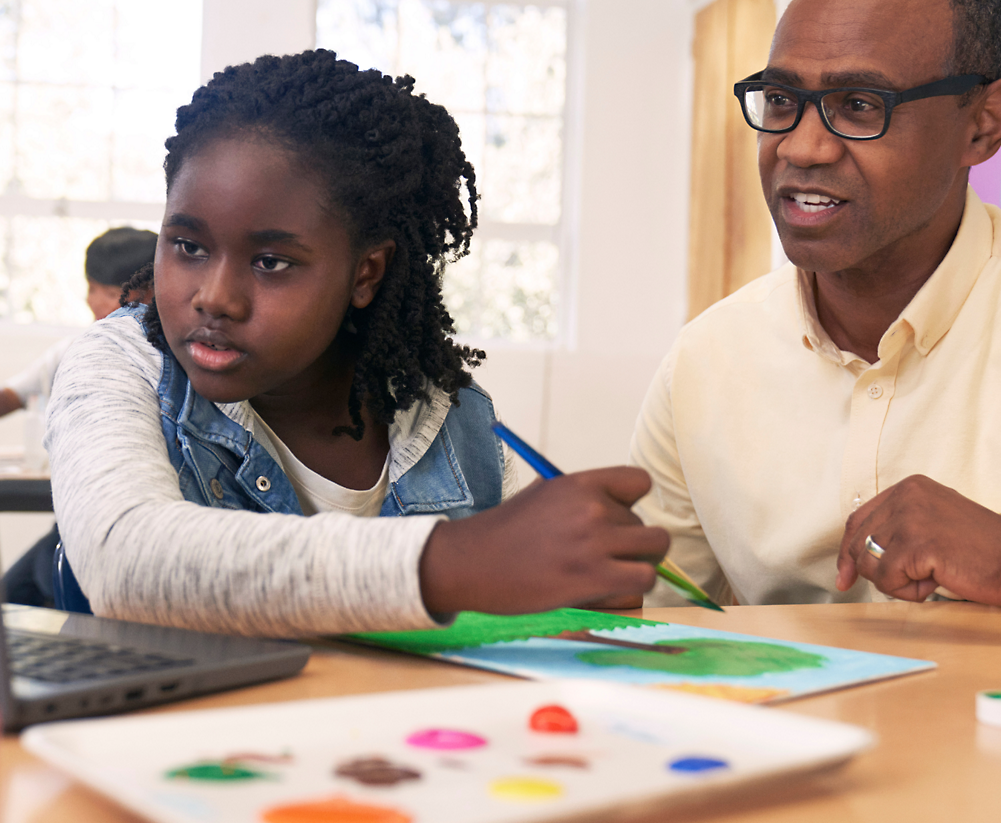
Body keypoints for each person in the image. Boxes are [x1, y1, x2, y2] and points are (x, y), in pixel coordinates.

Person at [45, 50, 665, 636]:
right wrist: (451, 565)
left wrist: (586, 572)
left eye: (270, 261)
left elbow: (553, 572)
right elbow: (128, 561)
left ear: (365, 273)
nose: (215, 297)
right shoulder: (120, 365)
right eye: (188, 246)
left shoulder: (447, 419)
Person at [630, 0, 1001, 610]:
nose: (801, 146)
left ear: (984, 125)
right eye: (783, 99)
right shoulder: (705, 364)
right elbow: (646, 631)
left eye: (858, 104)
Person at [0, 226, 157, 607]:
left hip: (117, 526)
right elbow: (1, 399)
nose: (90, 300)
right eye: (89, 287)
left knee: (39, 590)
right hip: (72, 522)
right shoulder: (77, 350)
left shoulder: (171, 359)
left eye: (99, 289)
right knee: (3, 600)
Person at [0, 226, 158, 422]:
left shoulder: (163, 364)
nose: (95, 302)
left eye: (111, 294)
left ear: (152, 295)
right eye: (92, 289)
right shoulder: (73, 350)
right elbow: (9, 397)